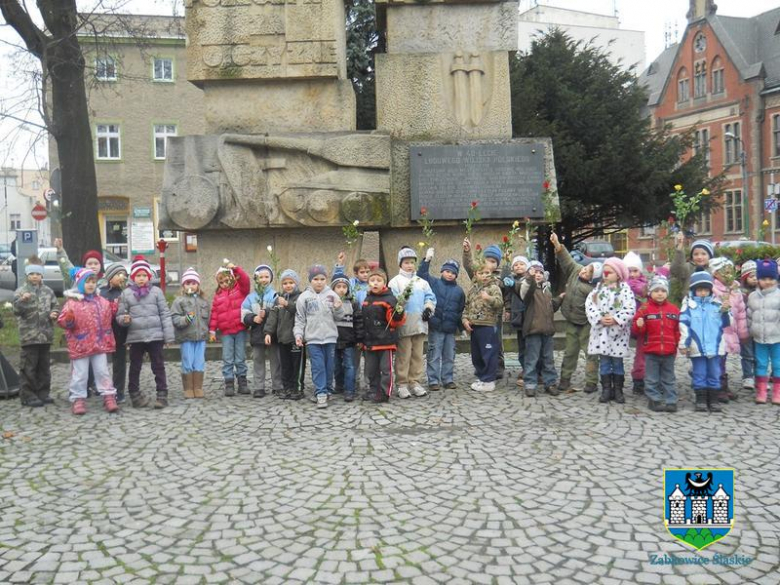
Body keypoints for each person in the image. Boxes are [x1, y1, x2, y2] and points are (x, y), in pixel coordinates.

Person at [57, 268, 119, 415]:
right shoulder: (72, 303)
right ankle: (78, 398)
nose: (91, 285)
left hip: (99, 344)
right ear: (79, 283)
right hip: (80, 344)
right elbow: (63, 321)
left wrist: (114, 308)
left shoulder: (102, 302)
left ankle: (108, 396)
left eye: (93, 282)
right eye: (87, 282)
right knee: (80, 374)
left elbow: (107, 318)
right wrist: (69, 320)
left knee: (102, 371)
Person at [117, 256, 175, 409]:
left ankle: (162, 394)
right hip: (136, 337)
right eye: (138, 275)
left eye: (144, 275)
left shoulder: (156, 292)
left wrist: (168, 336)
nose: (141, 279)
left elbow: (165, 313)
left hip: (155, 336)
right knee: (135, 366)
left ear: (149, 277)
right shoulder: (126, 294)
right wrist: (125, 319)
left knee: (158, 366)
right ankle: (135, 394)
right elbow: (119, 315)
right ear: (133, 277)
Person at [550, 233, 601, 393]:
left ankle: (592, 381)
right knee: (570, 351)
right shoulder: (576, 270)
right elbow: (566, 260)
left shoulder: (594, 290)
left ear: (593, 279)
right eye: (585, 268)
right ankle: (565, 379)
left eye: (588, 273)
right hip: (571, 321)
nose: (584, 271)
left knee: (590, 353)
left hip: (587, 324)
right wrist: (558, 245)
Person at [586, 257, 636, 404]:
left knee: (617, 363)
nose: (606, 274)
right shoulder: (598, 289)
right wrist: (599, 318)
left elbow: (630, 308)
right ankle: (607, 389)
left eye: (611, 271)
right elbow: (590, 305)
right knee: (605, 362)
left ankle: (618, 389)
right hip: (601, 333)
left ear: (619, 274)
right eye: (605, 271)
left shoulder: (625, 290)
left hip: (617, 334)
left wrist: (616, 319)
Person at [679, 271, 731, 412]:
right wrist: (684, 343)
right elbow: (684, 325)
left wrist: (726, 311)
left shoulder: (717, 305)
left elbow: (726, 324)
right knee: (699, 373)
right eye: (699, 289)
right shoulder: (689, 307)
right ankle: (701, 399)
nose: (702, 292)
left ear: (710, 290)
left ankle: (713, 399)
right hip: (697, 347)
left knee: (715, 372)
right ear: (694, 290)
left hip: (715, 347)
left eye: (705, 290)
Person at [389, 246, 436, 398]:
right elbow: (393, 301)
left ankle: (415, 381)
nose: (409, 265)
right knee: (404, 355)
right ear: (400, 264)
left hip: (420, 323)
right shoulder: (395, 282)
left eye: (412, 262)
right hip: (404, 324)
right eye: (406, 262)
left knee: (417, 355)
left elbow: (430, 297)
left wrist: (428, 308)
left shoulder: (421, 282)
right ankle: (402, 383)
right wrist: (400, 303)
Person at [294, 265, 344, 408]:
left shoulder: (332, 295)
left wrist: (338, 307)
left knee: (329, 366)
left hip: (330, 337)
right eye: (315, 279)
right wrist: (298, 334)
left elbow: (338, 317)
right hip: (313, 339)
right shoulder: (304, 297)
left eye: (322, 279)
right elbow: (300, 318)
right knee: (318, 366)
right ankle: (320, 392)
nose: (319, 282)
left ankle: (327, 389)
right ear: (310, 280)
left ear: (326, 280)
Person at [13, 256, 59, 407]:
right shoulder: (21, 292)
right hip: (29, 336)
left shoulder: (48, 291)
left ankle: (43, 393)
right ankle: (28, 395)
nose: (35, 276)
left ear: (42, 275)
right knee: (28, 367)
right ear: (27, 275)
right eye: (32, 274)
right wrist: (22, 301)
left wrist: (54, 313)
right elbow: (16, 311)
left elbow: (55, 306)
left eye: (38, 274)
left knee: (44, 367)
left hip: (45, 336)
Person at [417, 249, 465, 391]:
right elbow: (421, 275)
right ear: (442, 271)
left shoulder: (459, 291)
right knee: (434, 354)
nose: (450, 274)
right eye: (447, 271)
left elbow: (459, 311)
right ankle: (433, 380)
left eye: (453, 273)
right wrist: (426, 260)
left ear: (456, 275)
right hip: (436, 327)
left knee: (449, 355)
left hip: (450, 330)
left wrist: (461, 328)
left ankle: (448, 379)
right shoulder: (434, 283)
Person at [631, 276, 680, 412]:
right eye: (656, 290)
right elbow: (637, 331)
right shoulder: (644, 309)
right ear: (650, 292)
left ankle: (671, 400)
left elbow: (677, 330)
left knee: (669, 378)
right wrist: (639, 325)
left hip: (669, 351)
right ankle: (654, 399)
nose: (660, 293)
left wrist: (678, 344)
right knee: (651, 378)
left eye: (663, 291)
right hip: (651, 350)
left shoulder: (674, 310)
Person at [361, 267, 406, 402]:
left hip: (385, 341)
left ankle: (385, 392)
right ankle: (373, 389)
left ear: (384, 283)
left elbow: (395, 322)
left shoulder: (390, 299)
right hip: (370, 341)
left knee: (386, 369)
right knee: (371, 369)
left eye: (378, 280)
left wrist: (397, 313)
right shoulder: (367, 299)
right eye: (372, 280)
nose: (375, 283)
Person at [463, 240, 506, 378]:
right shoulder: (478, 275)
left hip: (494, 316)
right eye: (488, 260)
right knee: (479, 343)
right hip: (478, 318)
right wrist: (467, 251)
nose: (491, 264)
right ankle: (482, 366)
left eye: (494, 261)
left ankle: (498, 366)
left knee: (496, 341)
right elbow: (469, 266)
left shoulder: (500, 278)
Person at [518, 260, 561, 397]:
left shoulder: (546, 290)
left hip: (547, 331)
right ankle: (530, 384)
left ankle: (550, 382)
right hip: (533, 330)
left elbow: (550, 308)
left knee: (548, 359)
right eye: (534, 272)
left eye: (540, 272)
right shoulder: (528, 288)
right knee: (531, 359)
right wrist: (529, 278)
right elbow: (527, 293)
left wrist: (559, 299)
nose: (537, 274)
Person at [209, 260, 251, 397]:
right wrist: (212, 330)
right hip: (226, 332)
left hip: (240, 330)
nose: (225, 284)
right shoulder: (218, 296)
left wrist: (236, 269)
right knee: (227, 358)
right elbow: (214, 314)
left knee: (240, 358)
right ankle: (229, 382)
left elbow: (245, 280)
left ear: (232, 279)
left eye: (227, 280)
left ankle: (242, 381)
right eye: (222, 282)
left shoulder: (240, 289)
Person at [709, 257, 748, 402]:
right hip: (717, 333)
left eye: (730, 272)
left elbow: (741, 313)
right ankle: (717, 387)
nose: (728, 275)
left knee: (723, 360)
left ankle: (722, 385)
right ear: (716, 274)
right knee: (717, 360)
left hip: (730, 332)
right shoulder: (712, 289)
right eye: (724, 272)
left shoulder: (735, 291)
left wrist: (742, 332)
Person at [264, 269, 306, 400]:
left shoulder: (301, 297)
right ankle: (287, 387)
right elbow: (272, 317)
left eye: (291, 282)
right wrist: (268, 332)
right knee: (285, 365)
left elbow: (298, 311)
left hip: (296, 339)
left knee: (296, 365)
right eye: (285, 283)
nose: (288, 285)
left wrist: (287, 304)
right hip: (283, 338)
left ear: (296, 283)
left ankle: (297, 388)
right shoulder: (278, 300)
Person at [241, 264, 281, 398]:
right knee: (258, 359)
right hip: (257, 333)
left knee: (276, 360)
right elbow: (244, 314)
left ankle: (277, 385)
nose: (263, 279)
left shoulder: (275, 295)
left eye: (266, 276)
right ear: (256, 279)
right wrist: (253, 318)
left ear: (271, 278)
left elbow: (279, 312)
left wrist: (268, 312)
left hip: (273, 333)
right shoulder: (250, 297)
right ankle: (259, 387)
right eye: (260, 277)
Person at [333, 252, 371, 393]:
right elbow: (340, 281)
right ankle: (353, 381)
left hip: (368, 323)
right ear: (356, 274)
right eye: (362, 272)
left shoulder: (371, 284)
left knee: (369, 357)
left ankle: (368, 382)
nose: (365, 275)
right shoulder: (352, 285)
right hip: (354, 324)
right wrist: (340, 265)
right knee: (353, 357)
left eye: (367, 272)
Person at [171, 268, 210, 399]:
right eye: (188, 283)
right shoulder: (179, 301)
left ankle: (197, 387)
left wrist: (210, 331)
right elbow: (175, 318)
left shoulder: (203, 301)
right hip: (186, 337)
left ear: (198, 285)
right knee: (187, 360)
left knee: (199, 361)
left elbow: (208, 318)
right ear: (183, 285)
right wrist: (185, 319)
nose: (191, 286)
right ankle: (188, 387)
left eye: (193, 283)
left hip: (201, 337)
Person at [746, 259, 780, 405]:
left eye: (771, 278)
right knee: (760, 364)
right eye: (763, 278)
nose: (767, 282)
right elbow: (749, 315)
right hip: (759, 338)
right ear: (758, 279)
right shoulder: (753, 296)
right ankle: (761, 390)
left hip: (777, 337)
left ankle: (777, 392)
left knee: (778, 364)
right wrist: (750, 330)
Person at [99, 263, 129, 403]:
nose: (122, 277)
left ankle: (119, 390)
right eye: (118, 274)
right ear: (110, 278)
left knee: (120, 363)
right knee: (101, 363)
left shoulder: (126, 292)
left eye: (123, 274)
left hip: (120, 333)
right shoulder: (101, 293)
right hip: (103, 333)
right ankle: (103, 389)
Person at [331, 274, 363, 402]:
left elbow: (359, 321)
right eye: (338, 286)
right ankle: (339, 386)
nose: (341, 289)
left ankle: (349, 390)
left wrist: (359, 339)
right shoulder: (329, 302)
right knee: (336, 365)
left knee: (349, 366)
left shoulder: (353, 303)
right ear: (333, 289)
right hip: (333, 339)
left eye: (344, 286)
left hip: (349, 340)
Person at [624, 251, 648, 396]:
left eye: (635, 271)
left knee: (643, 353)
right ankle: (637, 379)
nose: (632, 274)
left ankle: (642, 378)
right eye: (629, 271)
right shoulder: (627, 283)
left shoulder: (645, 282)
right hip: (630, 322)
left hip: (643, 323)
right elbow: (637, 287)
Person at [504, 255, 529, 388]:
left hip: (530, 318)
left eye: (522, 264)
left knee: (531, 345)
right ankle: (525, 368)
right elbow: (507, 297)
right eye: (516, 265)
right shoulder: (510, 280)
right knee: (522, 347)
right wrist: (508, 310)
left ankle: (533, 370)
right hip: (517, 317)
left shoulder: (530, 280)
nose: (519, 266)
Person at [739, 260, 758, 391]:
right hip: (745, 327)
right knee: (747, 354)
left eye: (757, 276)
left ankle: (759, 376)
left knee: (758, 355)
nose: (755, 279)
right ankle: (748, 376)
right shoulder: (741, 293)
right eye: (752, 276)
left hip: (758, 328)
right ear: (745, 278)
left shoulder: (762, 292)